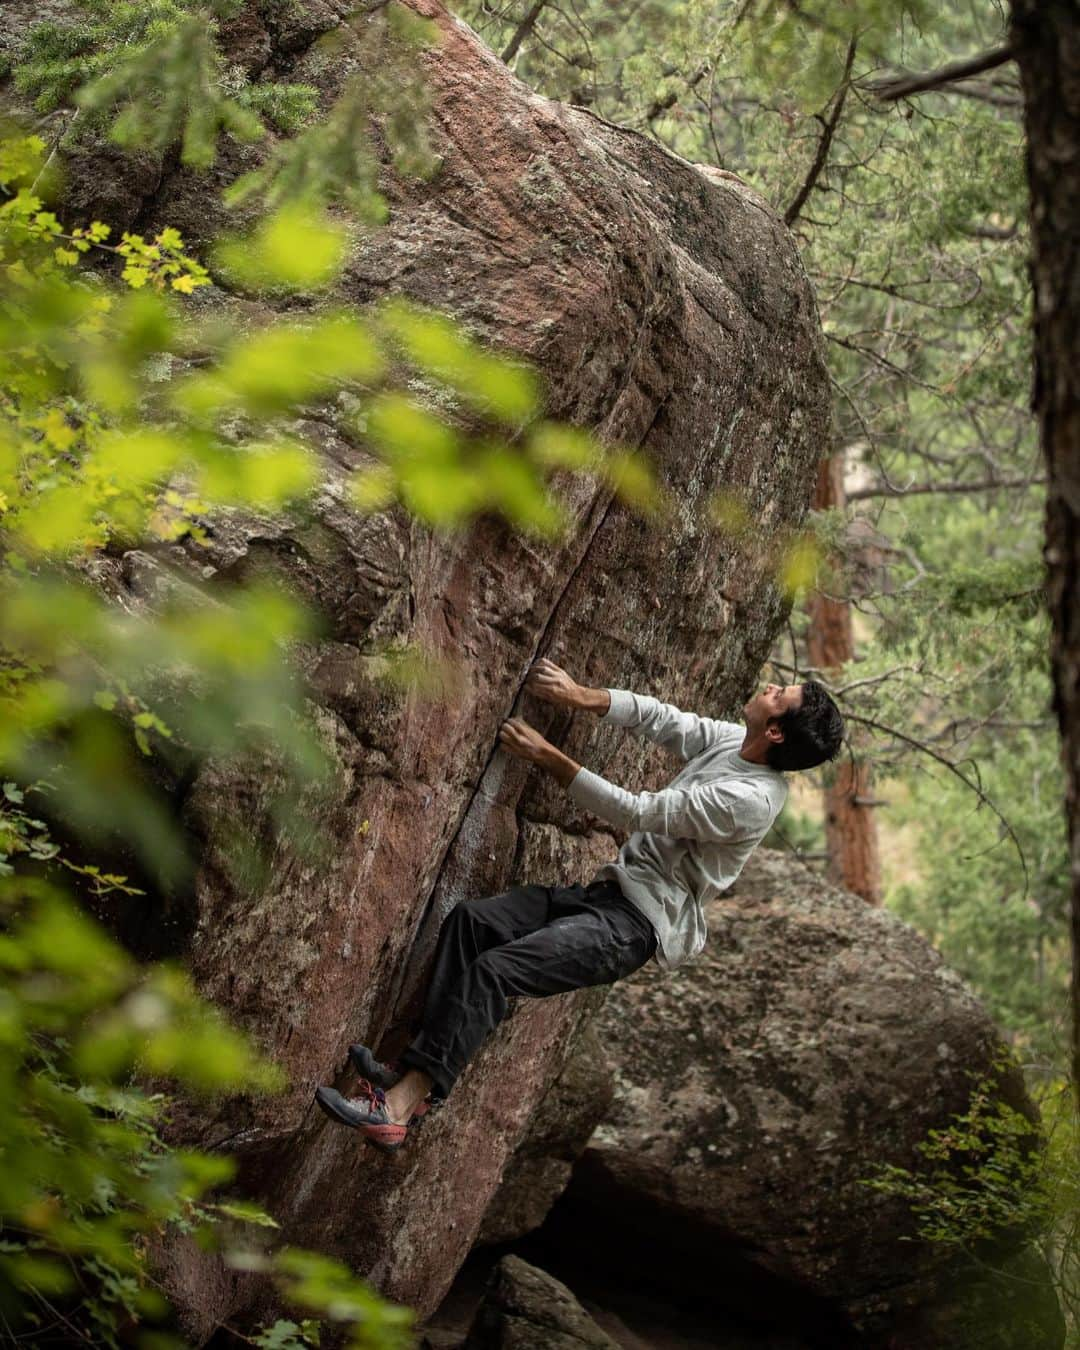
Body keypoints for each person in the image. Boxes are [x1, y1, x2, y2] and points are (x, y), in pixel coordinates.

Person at [314, 658, 844, 1151]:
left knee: (496, 971)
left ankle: (398, 1109)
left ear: (775, 730)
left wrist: (547, 756)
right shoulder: (737, 741)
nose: (770, 687)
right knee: (471, 923)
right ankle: (411, 1077)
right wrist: (580, 696)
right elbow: (667, 721)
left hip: (633, 927)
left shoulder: (748, 801)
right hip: (607, 896)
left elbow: (638, 811)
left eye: (780, 695)